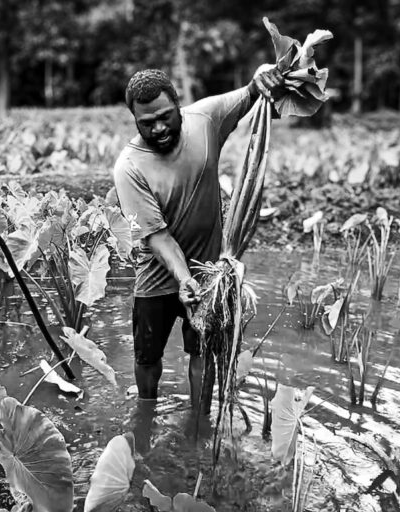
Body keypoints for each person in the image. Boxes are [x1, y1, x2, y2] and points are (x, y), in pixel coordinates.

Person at [112, 66, 284, 416]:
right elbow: (158, 237)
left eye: (165, 116)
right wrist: (182, 277)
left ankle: (200, 425)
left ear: (178, 104)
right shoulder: (129, 167)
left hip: (209, 274)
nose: (158, 128)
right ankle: (145, 416)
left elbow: (252, 89)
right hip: (158, 277)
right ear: (134, 119)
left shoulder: (205, 119)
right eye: (147, 123)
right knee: (147, 357)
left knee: (202, 353)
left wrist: (267, 74)